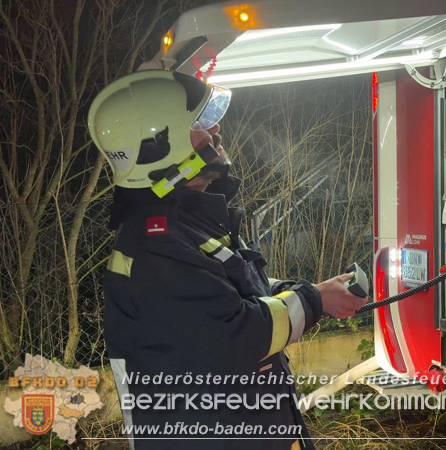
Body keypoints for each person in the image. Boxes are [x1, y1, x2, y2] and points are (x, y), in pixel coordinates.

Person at [87, 70, 367, 450]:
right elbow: (235, 335)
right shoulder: (157, 247)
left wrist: (296, 291)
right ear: (160, 146)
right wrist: (314, 300)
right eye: (198, 125)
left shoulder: (183, 224)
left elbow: (228, 288)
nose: (215, 130)